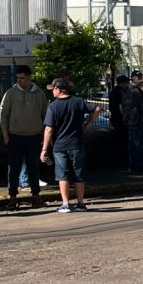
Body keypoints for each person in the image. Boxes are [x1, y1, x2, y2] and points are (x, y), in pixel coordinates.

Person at [41, 78, 101, 213]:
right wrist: (90, 123)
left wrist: (44, 148)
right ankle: (80, 203)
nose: (52, 92)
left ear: (57, 89)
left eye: (53, 89)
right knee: (79, 174)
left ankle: (65, 204)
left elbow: (48, 129)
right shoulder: (78, 101)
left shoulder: (53, 106)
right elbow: (97, 108)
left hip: (59, 146)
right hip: (77, 143)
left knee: (62, 175)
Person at [0, 65, 48, 209]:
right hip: (15, 136)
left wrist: (43, 136)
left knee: (33, 168)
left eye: (22, 78)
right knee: (13, 168)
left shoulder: (39, 93)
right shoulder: (11, 93)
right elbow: (3, 115)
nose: (19, 81)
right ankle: (13, 197)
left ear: (29, 77)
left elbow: (45, 115)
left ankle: (36, 196)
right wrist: (5, 136)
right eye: (18, 78)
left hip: (33, 136)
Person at [121, 70, 143, 173]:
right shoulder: (135, 90)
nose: (141, 80)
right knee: (136, 143)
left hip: (129, 119)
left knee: (132, 143)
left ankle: (132, 165)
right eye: (139, 78)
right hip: (136, 119)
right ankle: (137, 165)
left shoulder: (126, 89)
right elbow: (141, 105)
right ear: (134, 78)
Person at [108, 74, 129, 169]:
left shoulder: (112, 92)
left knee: (117, 140)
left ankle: (117, 162)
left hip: (114, 118)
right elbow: (122, 106)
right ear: (124, 83)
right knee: (123, 141)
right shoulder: (122, 92)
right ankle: (123, 163)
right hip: (121, 119)